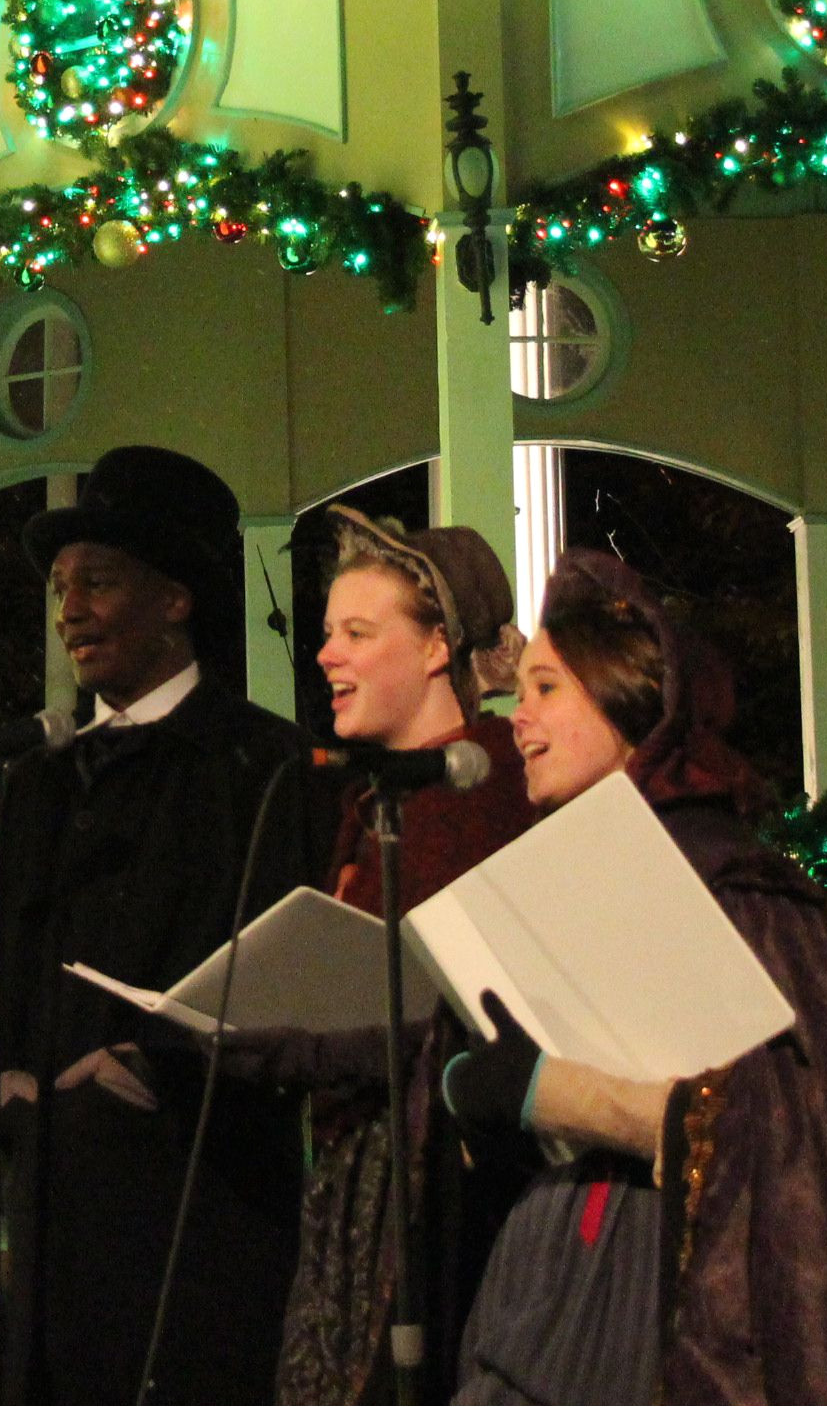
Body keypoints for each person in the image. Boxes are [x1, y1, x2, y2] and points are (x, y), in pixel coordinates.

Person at [439, 551, 827, 1405]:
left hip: (671, 1298)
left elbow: (785, 1133)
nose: (516, 717)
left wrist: (544, 1092)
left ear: (629, 697)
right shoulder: (576, 877)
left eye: (547, 688)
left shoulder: (736, 886)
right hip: (561, 1274)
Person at [0, 446, 316, 1404]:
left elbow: (291, 993)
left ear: (175, 600)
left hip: (204, 1224)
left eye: (99, 581)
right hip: (50, 1237)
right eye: (59, 585)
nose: (70, 609)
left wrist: (153, 1064)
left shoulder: (263, 768)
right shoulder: (29, 784)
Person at [208, 510, 543, 1403]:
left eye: (358, 633)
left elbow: (444, 1018)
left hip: (447, 1204)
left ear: (438, 648)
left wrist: (269, 1036)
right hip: (359, 1182)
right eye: (326, 634)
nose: (326, 655)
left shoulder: (485, 787)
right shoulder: (378, 798)